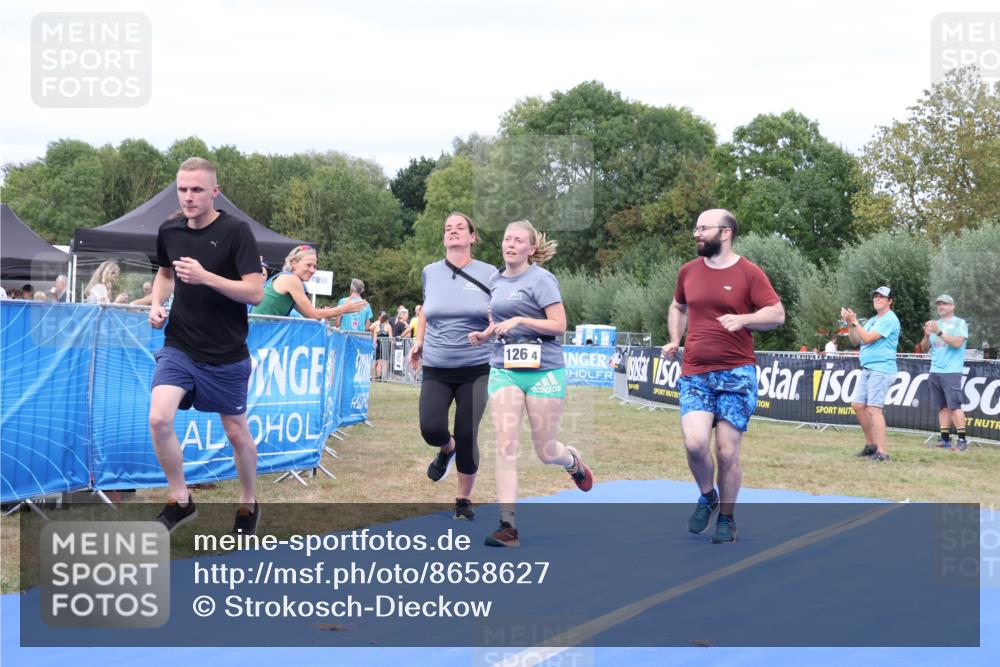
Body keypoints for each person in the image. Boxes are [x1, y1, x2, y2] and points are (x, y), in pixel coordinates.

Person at [147, 157, 265, 535]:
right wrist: (156, 304)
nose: (189, 197)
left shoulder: (236, 232)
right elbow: (165, 275)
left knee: (236, 433)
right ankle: (181, 500)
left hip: (226, 352)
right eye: (182, 189)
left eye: (197, 189)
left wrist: (205, 276)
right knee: (159, 417)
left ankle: (248, 504)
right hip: (180, 344)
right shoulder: (169, 230)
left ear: (215, 191)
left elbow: (256, 292)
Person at [661, 209, 784, 544]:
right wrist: (675, 339)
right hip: (696, 373)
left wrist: (744, 319)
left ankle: (727, 518)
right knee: (695, 442)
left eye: (703, 228)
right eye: (695, 227)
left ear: (725, 232)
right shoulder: (688, 271)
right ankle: (707, 496)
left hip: (736, 374)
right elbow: (678, 306)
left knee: (728, 452)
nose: (696, 234)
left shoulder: (749, 273)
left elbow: (777, 314)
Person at [469, 219, 594, 548]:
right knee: (506, 444)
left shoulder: (542, 280)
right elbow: (498, 317)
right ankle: (507, 526)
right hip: (505, 367)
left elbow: (559, 325)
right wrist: (485, 334)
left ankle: (571, 461)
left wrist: (522, 320)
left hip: (544, 371)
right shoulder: (495, 279)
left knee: (545, 450)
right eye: (506, 238)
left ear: (531, 249)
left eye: (518, 240)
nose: (510, 244)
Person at [408, 213, 494, 521]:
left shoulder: (490, 274)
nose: (453, 232)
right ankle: (446, 449)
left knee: (467, 432)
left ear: (472, 236)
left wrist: (489, 332)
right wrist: (418, 342)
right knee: (431, 429)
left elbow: (498, 315)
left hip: (477, 366)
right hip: (437, 365)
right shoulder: (430, 272)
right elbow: (427, 311)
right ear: (444, 238)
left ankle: (462, 500)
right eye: (448, 229)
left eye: (460, 228)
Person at [840, 285, 901, 463]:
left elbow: (867, 338)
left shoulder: (890, 319)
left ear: (890, 301)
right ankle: (871, 445)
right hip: (868, 368)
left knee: (874, 409)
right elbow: (855, 340)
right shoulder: (874, 319)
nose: (877, 299)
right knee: (858, 405)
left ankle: (882, 452)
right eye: (875, 296)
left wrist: (855, 322)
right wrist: (850, 324)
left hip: (881, 369)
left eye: (882, 297)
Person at [251, 245, 368, 321]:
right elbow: (313, 314)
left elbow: (311, 315)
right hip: (259, 333)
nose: (312, 270)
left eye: (315, 266)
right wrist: (342, 309)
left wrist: (342, 309)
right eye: (308, 265)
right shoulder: (291, 280)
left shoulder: (287, 279)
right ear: (293, 263)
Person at [918, 294, 969, 451]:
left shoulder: (960, 323)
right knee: (942, 407)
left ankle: (962, 441)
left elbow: (957, 343)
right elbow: (924, 348)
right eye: (939, 304)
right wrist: (927, 335)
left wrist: (938, 332)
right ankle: (944, 439)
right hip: (935, 370)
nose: (941, 307)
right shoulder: (935, 324)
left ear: (952, 306)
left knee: (954, 406)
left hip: (951, 371)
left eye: (945, 304)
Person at [370, 311, 392, 379]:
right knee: (384, 362)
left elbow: (374, 339)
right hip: (385, 346)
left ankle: (376, 376)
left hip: (378, 345)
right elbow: (391, 338)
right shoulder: (388, 327)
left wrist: (374, 346)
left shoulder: (376, 327)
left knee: (378, 361)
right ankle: (382, 377)